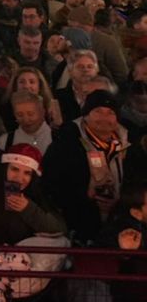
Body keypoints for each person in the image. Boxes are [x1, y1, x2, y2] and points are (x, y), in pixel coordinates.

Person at [45, 90, 127, 243]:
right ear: (85, 115)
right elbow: (52, 184)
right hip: (78, 226)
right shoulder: (65, 143)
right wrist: (84, 195)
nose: (104, 117)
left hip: (120, 227)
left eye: (110, 112)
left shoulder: (127, 145)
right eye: (97, 111)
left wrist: (120, 202)